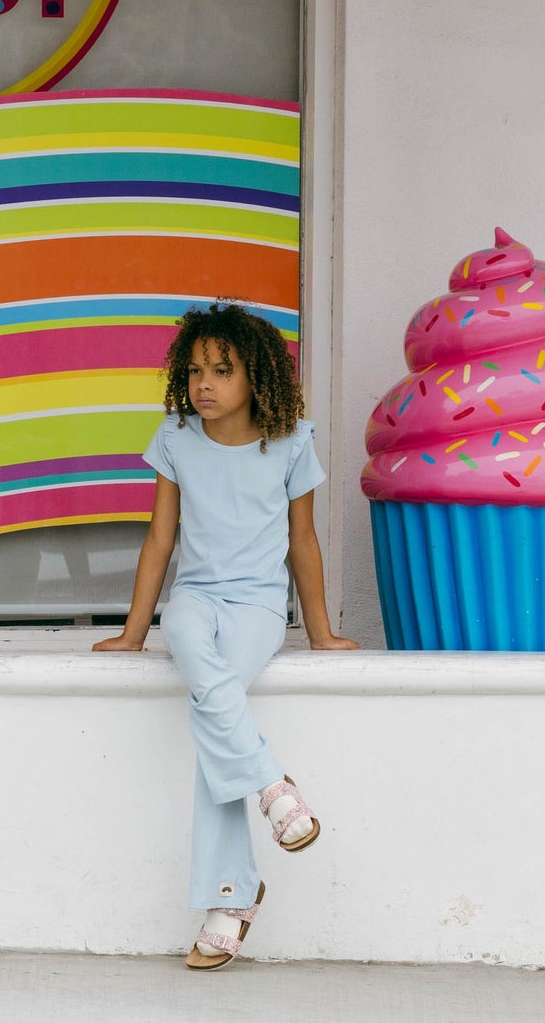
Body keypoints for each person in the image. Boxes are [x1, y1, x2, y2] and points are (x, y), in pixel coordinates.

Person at [93, 301, 358, 970]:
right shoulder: (177, 438)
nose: (202, 384)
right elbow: (161, 536)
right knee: (182, 631)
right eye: (192, 371)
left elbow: (302, 541)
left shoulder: (292, 441)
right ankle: (273, 788)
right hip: (197, 599)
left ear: (257, 377)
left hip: (257, 609)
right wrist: (131, 631)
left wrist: (320, 631)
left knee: (212, 708)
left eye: (220, 370)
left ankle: (231, 896)